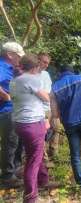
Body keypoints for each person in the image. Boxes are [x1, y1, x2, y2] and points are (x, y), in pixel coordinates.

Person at [50, 64, 81, 189]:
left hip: (69, 123)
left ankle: (80, 184)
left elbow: (55, 114)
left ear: (60, 73)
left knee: (75, 154)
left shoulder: (54, 87)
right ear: (72, 72)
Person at [10, 54, 50, 203]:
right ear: (35, 67)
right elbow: (46, 97)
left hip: (19, 123)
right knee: (33, 160)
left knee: (33, 154)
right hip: (32, 123)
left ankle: (42, 179)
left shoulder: (14, 81)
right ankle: (30, 197)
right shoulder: (30, 79)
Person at [0, 42, 25, 185]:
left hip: (13, 111)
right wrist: (5, 96)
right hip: (6, 111)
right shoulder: (2, 67)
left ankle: (14, 170)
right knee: (10, 142)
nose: (20, 59)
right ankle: (8, 176)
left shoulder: (10, 68)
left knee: (15, 141)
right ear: (10, 55)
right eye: (18, 56)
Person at [37, 53, 59, 161]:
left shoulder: (46, 74)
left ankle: (54, 155)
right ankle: (43, 158)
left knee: (55, 128)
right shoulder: (32, 74)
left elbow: (50, 91)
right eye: (44, 62)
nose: (46, 65)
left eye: (47, 63)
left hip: (49, 107)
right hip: (39, 109)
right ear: (38, 60)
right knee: (42, 133)